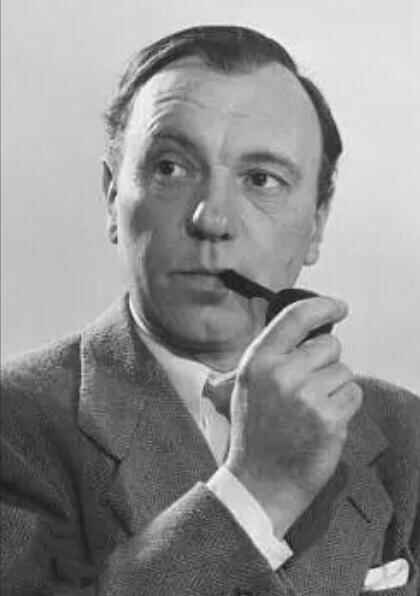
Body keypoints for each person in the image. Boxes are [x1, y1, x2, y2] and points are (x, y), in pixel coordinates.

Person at [1, 25, 419, 596]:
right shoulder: (14, 426)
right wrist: (256, 493)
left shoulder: (405, 433)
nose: (211, 219)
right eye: (170, 168)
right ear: (111, 196)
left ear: (318, 222)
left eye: (261, 180)